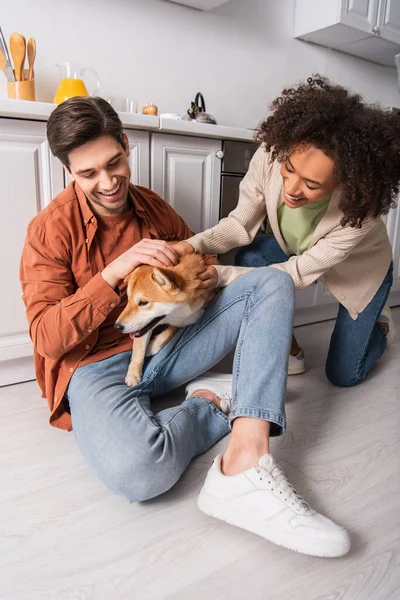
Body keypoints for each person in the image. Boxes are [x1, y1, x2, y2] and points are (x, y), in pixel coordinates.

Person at [19, 96, 351, 558]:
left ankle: (245, 464)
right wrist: (112, 274)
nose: (108, 181)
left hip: (169, 347)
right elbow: (48, 339)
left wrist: (203, 276)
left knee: (272, 281)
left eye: (114, 163)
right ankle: (212, 403)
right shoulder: (49, 231)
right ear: (68, 172)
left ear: (126, 144)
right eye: (88, 173)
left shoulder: (153, 209)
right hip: (95, 366)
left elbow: (202, 261)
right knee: (143, 473)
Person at [176, 76, 400, 385]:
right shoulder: (270, 154)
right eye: (290, 170)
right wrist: (192, 245)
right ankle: (290, 349)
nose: (291, 190)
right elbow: (240, 224)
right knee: (252, 255)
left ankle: (382, 325)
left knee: (345, 375)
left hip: (358, 270)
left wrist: (222, 275)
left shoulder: (362, 209)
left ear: (343, 183)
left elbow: (298, 273)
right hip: (299, 249)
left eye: (312, 184)